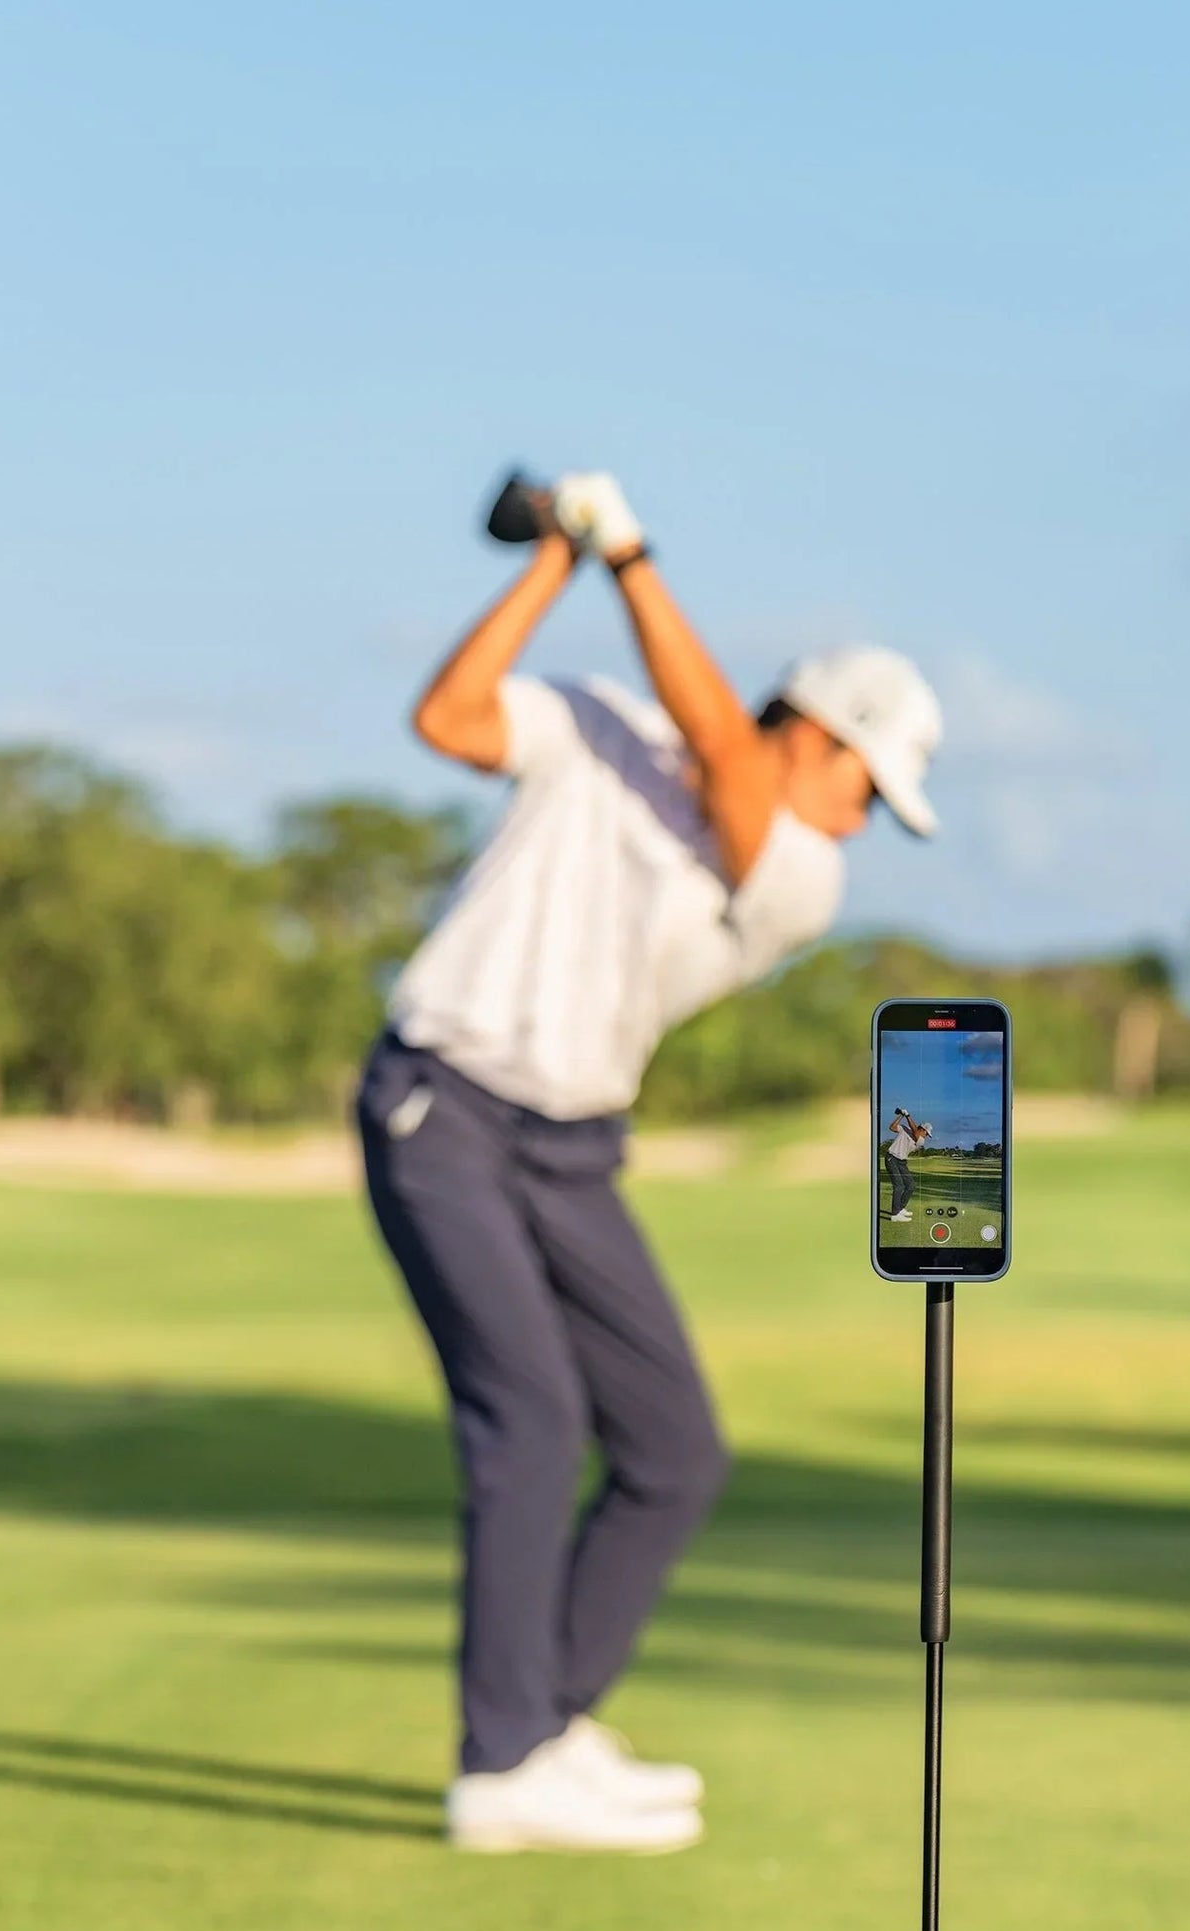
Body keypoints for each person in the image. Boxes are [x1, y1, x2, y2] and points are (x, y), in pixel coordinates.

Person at [356, 470, 943, 1855]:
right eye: (871, 785)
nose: (865, 820)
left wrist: (631, 556)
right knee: (532, 1421)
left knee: (674, 1447)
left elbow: (730, 774)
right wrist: (558, 561)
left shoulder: (795, 872)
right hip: (440, 1103)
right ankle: (503, 1766)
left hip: (566, 1147)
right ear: (823, 733)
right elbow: (446, 714)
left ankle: (546, 1722)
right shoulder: (603, 730)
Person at [884, 1109, 932, 1221]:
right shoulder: (905, 1129)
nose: (926, 1136)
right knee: (899, 1186)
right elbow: (892, 1127)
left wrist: (908, 1115)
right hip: (891, 1158)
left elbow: (915, 1132)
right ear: (922, 1129)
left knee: (911, 1185)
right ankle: (895, 1215)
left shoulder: (920, 1141)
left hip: (901, 1162)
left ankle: (900, 1208)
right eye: (926, 1133)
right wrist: (901, 1115)